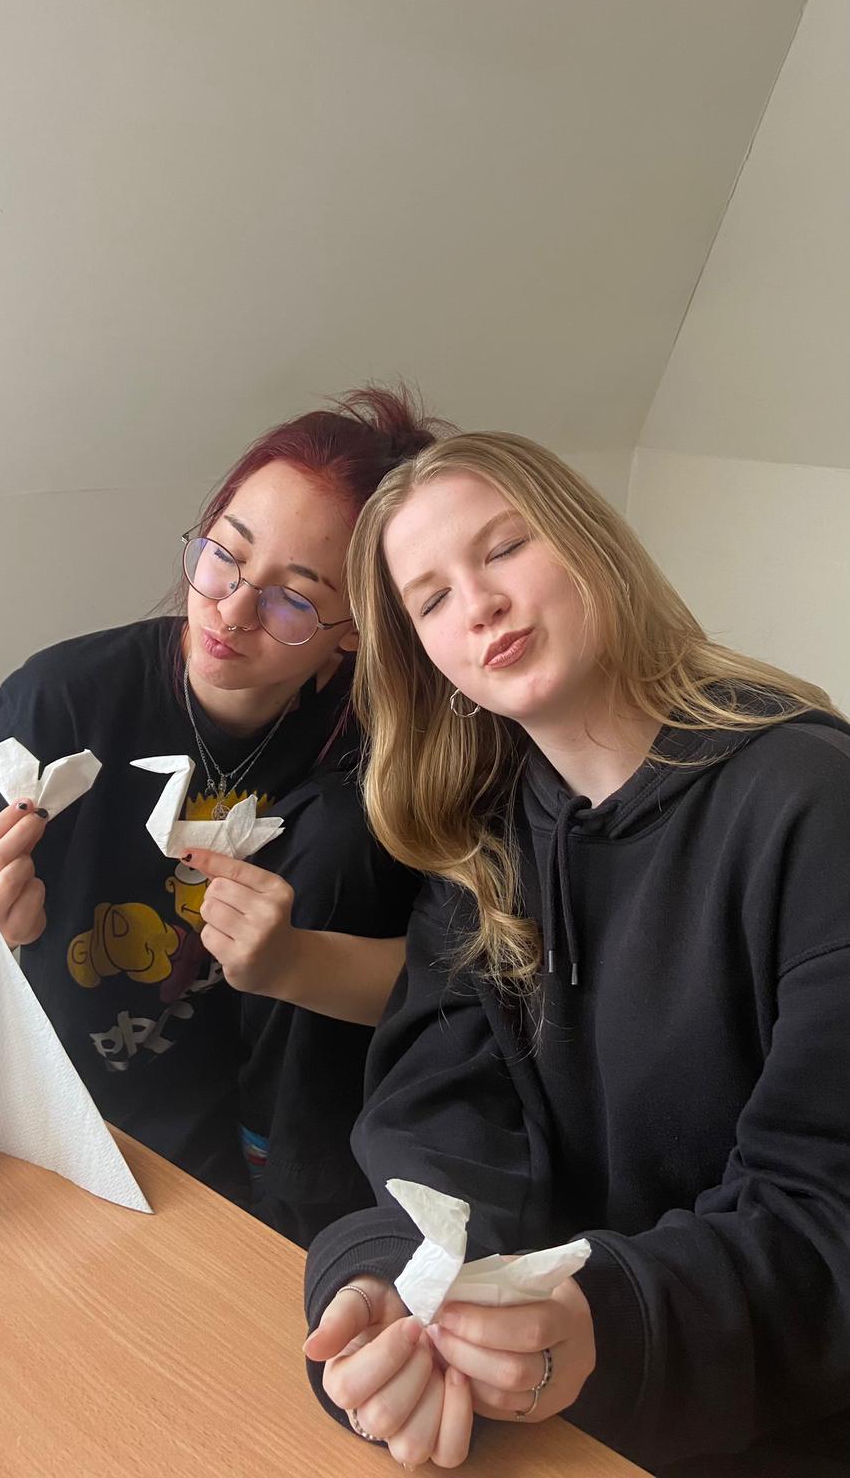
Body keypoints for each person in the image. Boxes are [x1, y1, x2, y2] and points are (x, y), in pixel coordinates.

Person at [303, 430, 850, 1474]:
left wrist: (607, 1319)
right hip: (558, 1419)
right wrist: (394, 1281)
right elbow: (435, 1120)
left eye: (505, 547)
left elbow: (828, 1210)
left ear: (594, 544)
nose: (479, 605)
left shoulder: (812, 803)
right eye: (431, 599)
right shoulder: (484, 847)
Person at [0, 386, 444, 1246]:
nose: (232, 610)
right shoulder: (62, 701)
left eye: (294, 598)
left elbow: (452, 989)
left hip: (267, 1156)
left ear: (356, 630)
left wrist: (292, 962)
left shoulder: (384, 759)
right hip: (55, 1123)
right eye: (226, 554)